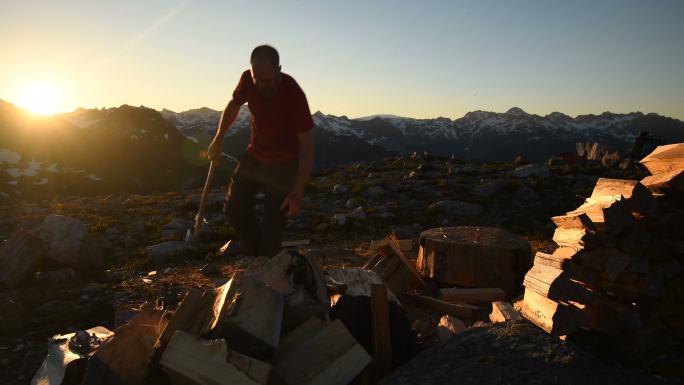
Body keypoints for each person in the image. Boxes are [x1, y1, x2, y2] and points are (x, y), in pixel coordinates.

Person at [207, 45, 314, 257]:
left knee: (272, 227)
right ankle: (268, 259)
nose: (262, 85)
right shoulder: (248, 79)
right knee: (234, 210)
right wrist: (218, 139)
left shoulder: (293, 94)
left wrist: (297, 193)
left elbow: (308, 146)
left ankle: (270, 262)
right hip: (255, 156)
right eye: (258, 79)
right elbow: (234, 104)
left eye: (268, 79)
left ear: (279, 69)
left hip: (284, 166)